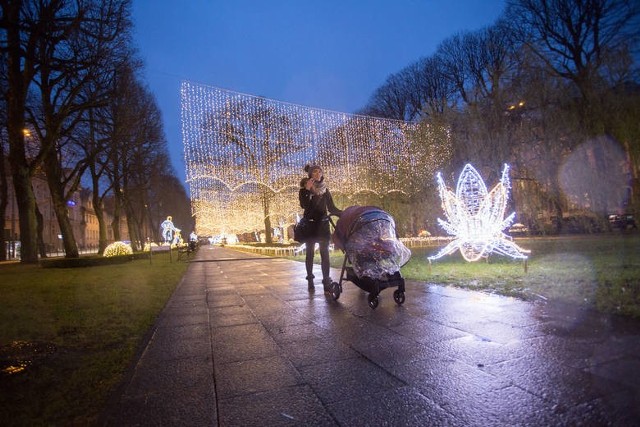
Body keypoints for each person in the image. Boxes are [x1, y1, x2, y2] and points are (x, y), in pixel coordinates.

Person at [299, 164, 342, 292]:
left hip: (323, 225)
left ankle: (326, 280)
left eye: (319, 172)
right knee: (310, 253)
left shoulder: (325, 190)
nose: (318, 174)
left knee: (325, 253)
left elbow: (331, 207)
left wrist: (344, 213)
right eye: (315, 172)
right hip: (310, 225)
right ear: (310, 175)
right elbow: (304, 205)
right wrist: (307, 190)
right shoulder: (304, 190)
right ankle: (310, 279)